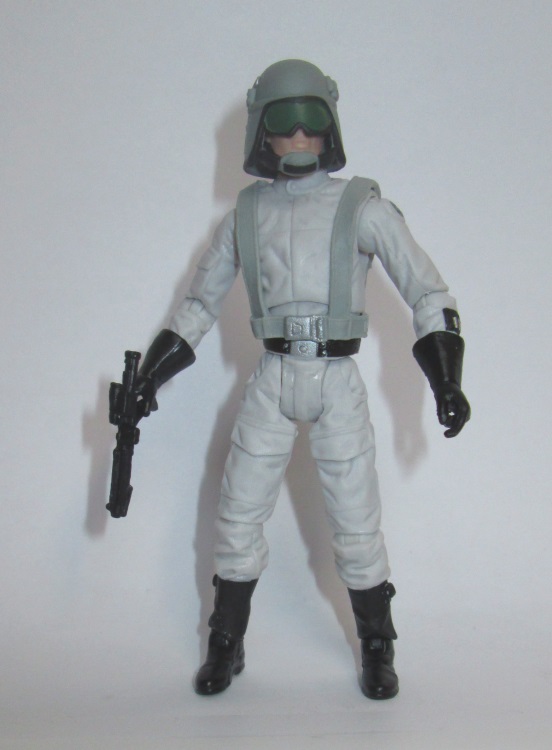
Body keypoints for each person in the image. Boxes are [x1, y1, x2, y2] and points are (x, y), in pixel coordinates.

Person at [132, 59, 471, 699]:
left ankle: (377, 644)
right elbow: (199, 305)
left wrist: (445, 378)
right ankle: (225, 639)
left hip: (336, 378)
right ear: (261, 132)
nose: (296, 137)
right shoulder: (245, 215)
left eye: (310, 123)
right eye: (283, 124)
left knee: (356, 521)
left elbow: (427, 292)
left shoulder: (362, 207)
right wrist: (150, 376)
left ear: (328, 129)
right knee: (238, 512)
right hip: (274, 375)